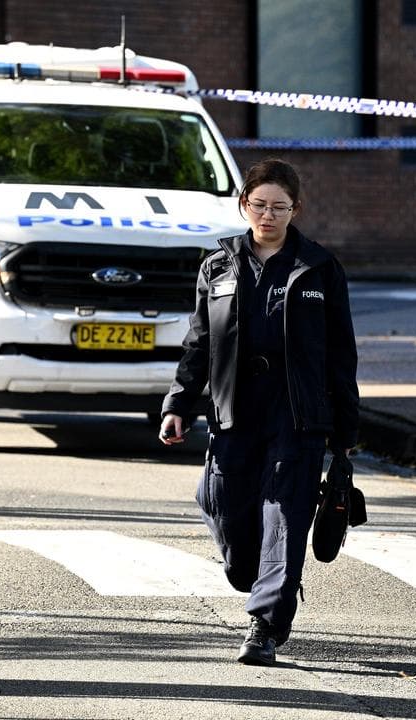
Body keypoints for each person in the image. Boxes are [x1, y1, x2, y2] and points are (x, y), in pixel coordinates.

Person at [159, 158, 359, 667]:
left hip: (298, 415)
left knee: (285, 518)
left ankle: (266, 626)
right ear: (244, 204)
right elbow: (199, 342)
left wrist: (346, 430)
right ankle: (255, 578)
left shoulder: (319, 268)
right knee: (220, 500)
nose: (268, 215)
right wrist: (179, 403)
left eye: (279, 206)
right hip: (234, 409)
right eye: (259, 204)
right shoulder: (218, 265)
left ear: (296, 209)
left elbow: (341, 354)